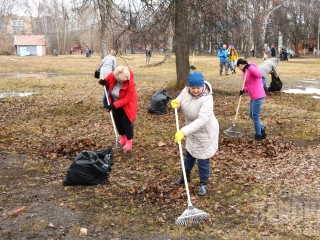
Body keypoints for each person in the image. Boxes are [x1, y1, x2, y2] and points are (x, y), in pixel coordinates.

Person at [170, 72, 219, 196]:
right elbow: (180, 100)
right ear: (189, 86)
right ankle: (185, 178)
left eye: (198, 88)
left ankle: (203, 183)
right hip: (191, 130)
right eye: (193, 88)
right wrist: (176, 103)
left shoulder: (207, 98)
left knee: (203, 160)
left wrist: (183, 131)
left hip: (205, 132)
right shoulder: (186, 91)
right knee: (189, 155)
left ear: (202, 86)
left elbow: (202, 120)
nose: (196, 90)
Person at [98, 66, 138, 151]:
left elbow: (127, 99)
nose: (120, 82)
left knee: (126, 123)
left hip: (128, 106)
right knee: (118, 121)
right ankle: (122, 138)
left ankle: (129, 141)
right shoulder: (113, 75)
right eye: (118, 80)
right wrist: (102, 81)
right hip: (116, 103)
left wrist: (113, 105)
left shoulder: (131, 84)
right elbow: (107, 81)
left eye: (121, 81)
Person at [237, 58, 266, 141]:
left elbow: (259, 75)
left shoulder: (252, 67)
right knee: (251, 115)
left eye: (239, 67)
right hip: (253, 96)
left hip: (258, 95)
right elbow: (247, 85)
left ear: (240, 65)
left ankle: (258, 135)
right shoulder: (244, 72)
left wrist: (249, 67)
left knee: (255, 116)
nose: (239, 69)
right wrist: (243, 90)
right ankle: (262, 130)